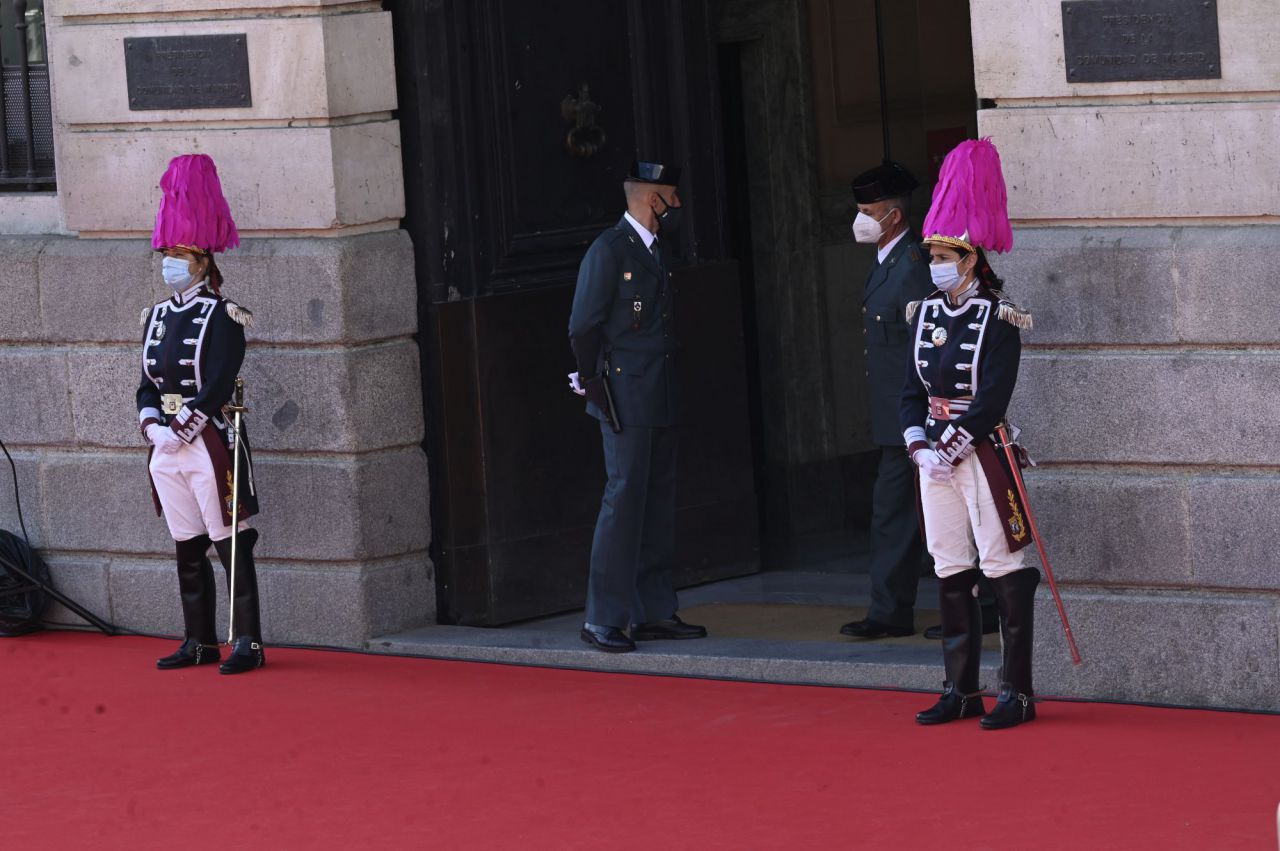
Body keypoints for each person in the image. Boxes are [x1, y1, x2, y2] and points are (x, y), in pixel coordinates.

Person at [901, 139, 1040, 729]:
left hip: (979, 452)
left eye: (945, 253)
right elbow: (908, 388)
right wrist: (919, 445)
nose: (935, 261)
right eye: (931, 252)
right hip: (934, 456)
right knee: (950, 567)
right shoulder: (923, 314)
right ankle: (961, 689)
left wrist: (950, 446)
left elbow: (991, 401)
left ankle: (1017, 692)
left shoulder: (999, 317)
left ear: (971, 258)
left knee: (1002, 568)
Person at [566, 160, 707, 653]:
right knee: (624, 500)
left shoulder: (654, 249)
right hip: (624, 395)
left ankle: (653, 611)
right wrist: (591, 381)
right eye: (673, 196)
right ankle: (603, 616)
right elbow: (583, 325)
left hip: (659, 390)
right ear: (653, 200)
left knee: (656, 504)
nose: (679, 207)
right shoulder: (609, 251)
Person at [138, 153, 265, 675]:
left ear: (204, 261)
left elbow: (216, 385)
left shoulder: (224, 315)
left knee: (229, 542)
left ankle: (248, 643)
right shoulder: (156, 316)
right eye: (167, 251)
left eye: (181, 252)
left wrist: (183, 427)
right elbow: (146, 382)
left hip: (208, 438)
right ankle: (199, 640)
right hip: (165, 443)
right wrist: (153, 426)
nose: (171, 260)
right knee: (186, 544)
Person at [837, 161, 935, 640]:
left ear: (894, 217)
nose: (861, 219)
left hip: (915, 419)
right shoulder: (887, 265)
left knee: (909, 514)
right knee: (901, 514)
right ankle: (892, 609)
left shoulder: (912, 267)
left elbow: (928, 347)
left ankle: (895, 610)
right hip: (896, 418)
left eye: (869, 210)